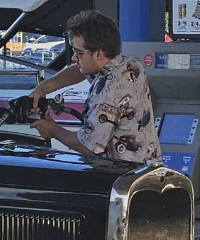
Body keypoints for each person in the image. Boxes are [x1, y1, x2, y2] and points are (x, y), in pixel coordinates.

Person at [29, 10, 161, 163]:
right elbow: (79, 71)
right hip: (148, 169)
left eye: (79, 53)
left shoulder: (109, 91)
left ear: (98, 54)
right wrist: (43, 88)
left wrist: (53, 130)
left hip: (121, 179)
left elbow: (89, 146)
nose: (73, 58)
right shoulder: (128, 64)